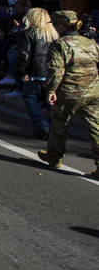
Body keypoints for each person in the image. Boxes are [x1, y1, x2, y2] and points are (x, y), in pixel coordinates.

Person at [37, 11, 99, 177]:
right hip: (93, 92)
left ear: (62, 26)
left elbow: (57, 70)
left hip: (68, 93)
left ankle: (54, 157)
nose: (55, 29)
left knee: (59, 126)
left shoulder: (60, 44)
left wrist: (50, 90)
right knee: (96, 129)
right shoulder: (90, 42)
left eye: (56, 25)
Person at [16, 7, 58, 139]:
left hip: (34, 72)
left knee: (30, 97)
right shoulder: (54, 34)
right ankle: (54, 129)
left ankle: (42, 126)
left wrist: (22, 72)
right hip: (51, 72)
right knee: (50, 101)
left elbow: (24, 55)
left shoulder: (28, 33)